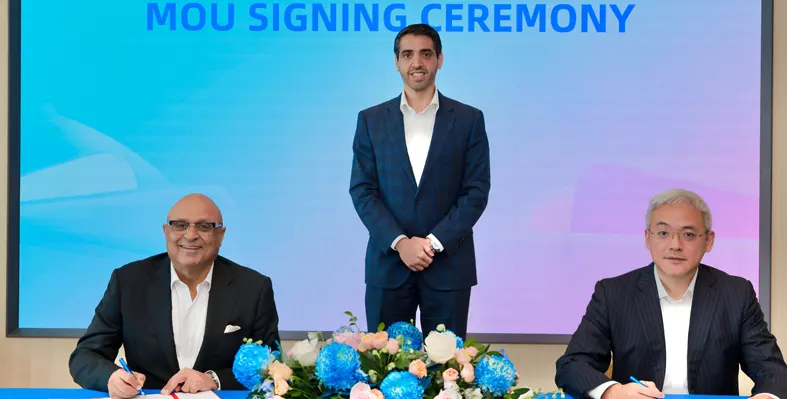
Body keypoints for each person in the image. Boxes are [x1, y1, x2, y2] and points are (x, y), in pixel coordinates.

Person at [555, 188, 787, 399]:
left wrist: (768, 395)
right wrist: (612, 392)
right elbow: (572, 365)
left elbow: (771, 368)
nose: (675, 245)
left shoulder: (736, 294)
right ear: (648, 238)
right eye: (663, 233)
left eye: (688, 234)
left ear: (709, 241)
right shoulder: (613, 293)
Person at [349, 23, 491, 338]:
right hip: (387, 265)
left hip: (449, 267)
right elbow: (362, 190)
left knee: (449, 376)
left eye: (426, 54)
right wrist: (401, 243)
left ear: (439, 59)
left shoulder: (468, 120)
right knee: (383, 374)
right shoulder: (371, 120)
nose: (417, 63)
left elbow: (476, 192)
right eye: (408, 54)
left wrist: (431, 244)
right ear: (397, 62)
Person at [68, 194, 280, 398]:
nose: (190, 235)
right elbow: (85, 356)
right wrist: (112, 378)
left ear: (220, 235)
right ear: (166, 231)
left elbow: (274, 366)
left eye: (204, 226)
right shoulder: (129, 282)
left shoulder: (253, 288)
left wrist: (215, 379)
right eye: (180, 225)